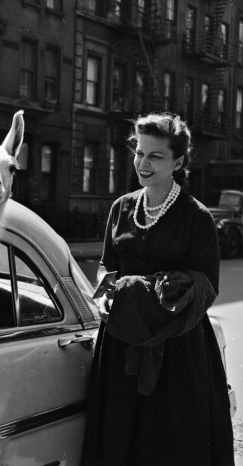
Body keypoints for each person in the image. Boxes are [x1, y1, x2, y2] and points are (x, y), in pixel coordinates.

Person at [81, 113, 234, 466]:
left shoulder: (196, 217)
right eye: (139, 152)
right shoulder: (121, 208)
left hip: (177, 350)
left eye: (155, 156)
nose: (143, 163)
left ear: (178, 162)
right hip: (121, 343)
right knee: (121, 435)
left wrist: (155, 293)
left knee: (171, 442)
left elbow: (208, 286)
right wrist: (105, 293)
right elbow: (108, 267)